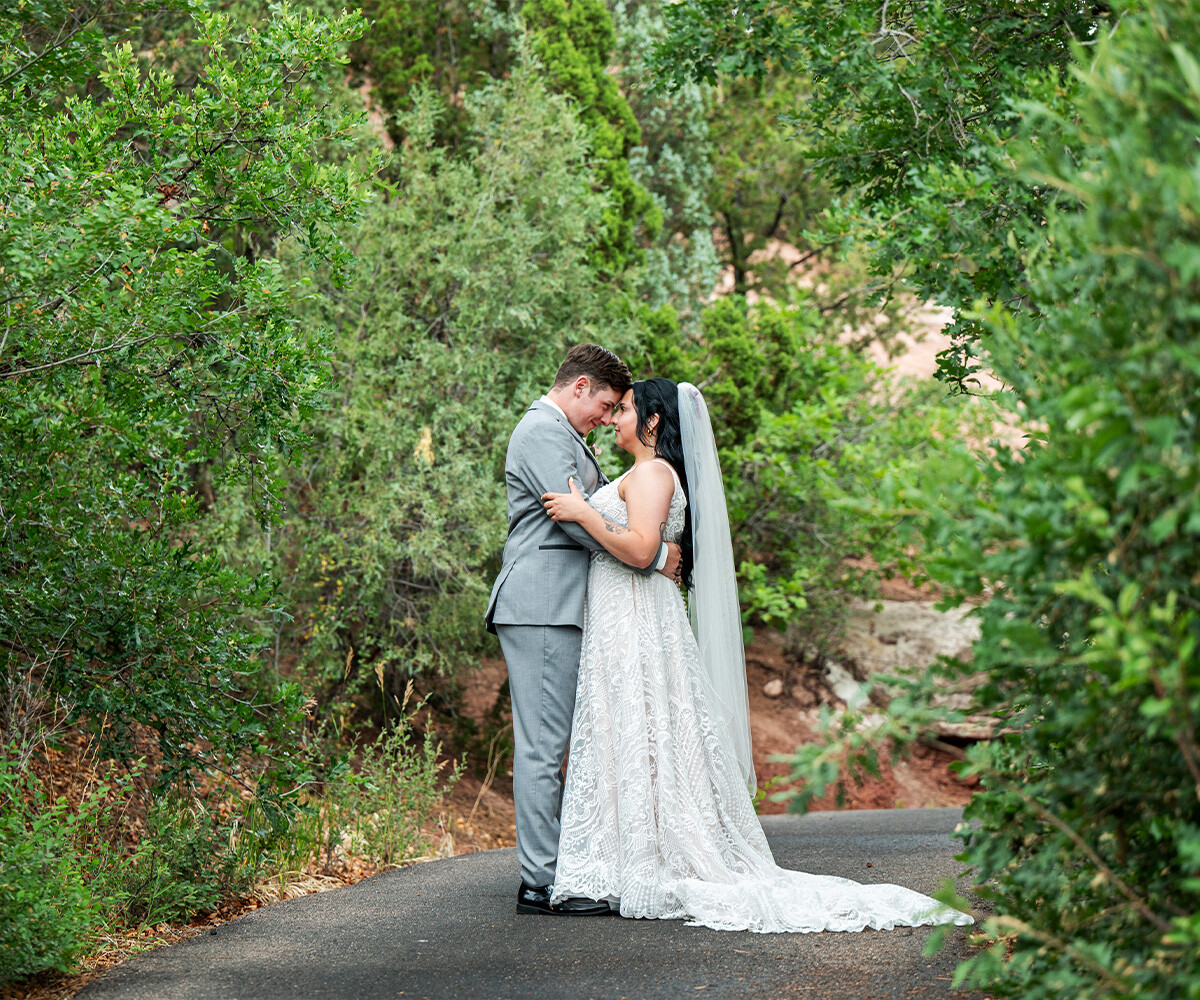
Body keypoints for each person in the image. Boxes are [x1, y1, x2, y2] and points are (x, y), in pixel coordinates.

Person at [541, 378, 975, 933]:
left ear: (652, 423)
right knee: (638, 727)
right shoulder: (645, 472)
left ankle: (641, 858)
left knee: (640, 723)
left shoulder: (651, 472)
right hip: (626, 612)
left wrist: (583, 514)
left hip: (635, 613)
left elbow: (644, 550)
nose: (613, 419)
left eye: (623, 410)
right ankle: (629, 853)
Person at [485, 346, 681, 917]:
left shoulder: (565, 434)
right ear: (579, 386)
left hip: (565, 602)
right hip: (543, 602)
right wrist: (649, 556)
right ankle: (539, 882)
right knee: (545, 745)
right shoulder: (543, 432)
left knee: (563, 740)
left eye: (615, 409)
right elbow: (568, 520)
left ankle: (564, 867)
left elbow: (589, 513)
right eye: (601, 404)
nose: (604, 416)